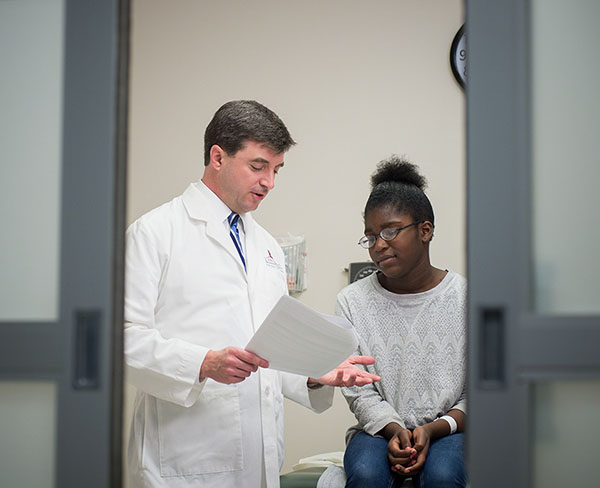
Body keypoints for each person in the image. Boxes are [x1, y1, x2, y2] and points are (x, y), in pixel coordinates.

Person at [124, 100, 380, 488]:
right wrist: (203, 363)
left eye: (276, 170)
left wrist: (314, 374)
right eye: (258, 166)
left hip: (260, 460)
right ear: (218, 157)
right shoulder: (155, 233)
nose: (269, 182)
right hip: (183, 461)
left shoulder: (266, 247)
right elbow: (122, 340)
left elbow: (269, 351)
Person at [336, 156, 467, 488]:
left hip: (452, 428)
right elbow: (358, 390)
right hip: (379, 430)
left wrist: (434, 429)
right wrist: (395, 429)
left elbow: (480, 391)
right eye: (371, 236)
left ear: (425, 230)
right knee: (366, 474)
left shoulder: (468, 298)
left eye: (390, 231)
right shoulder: (352, 301)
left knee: (442, 475)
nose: (379, 245)